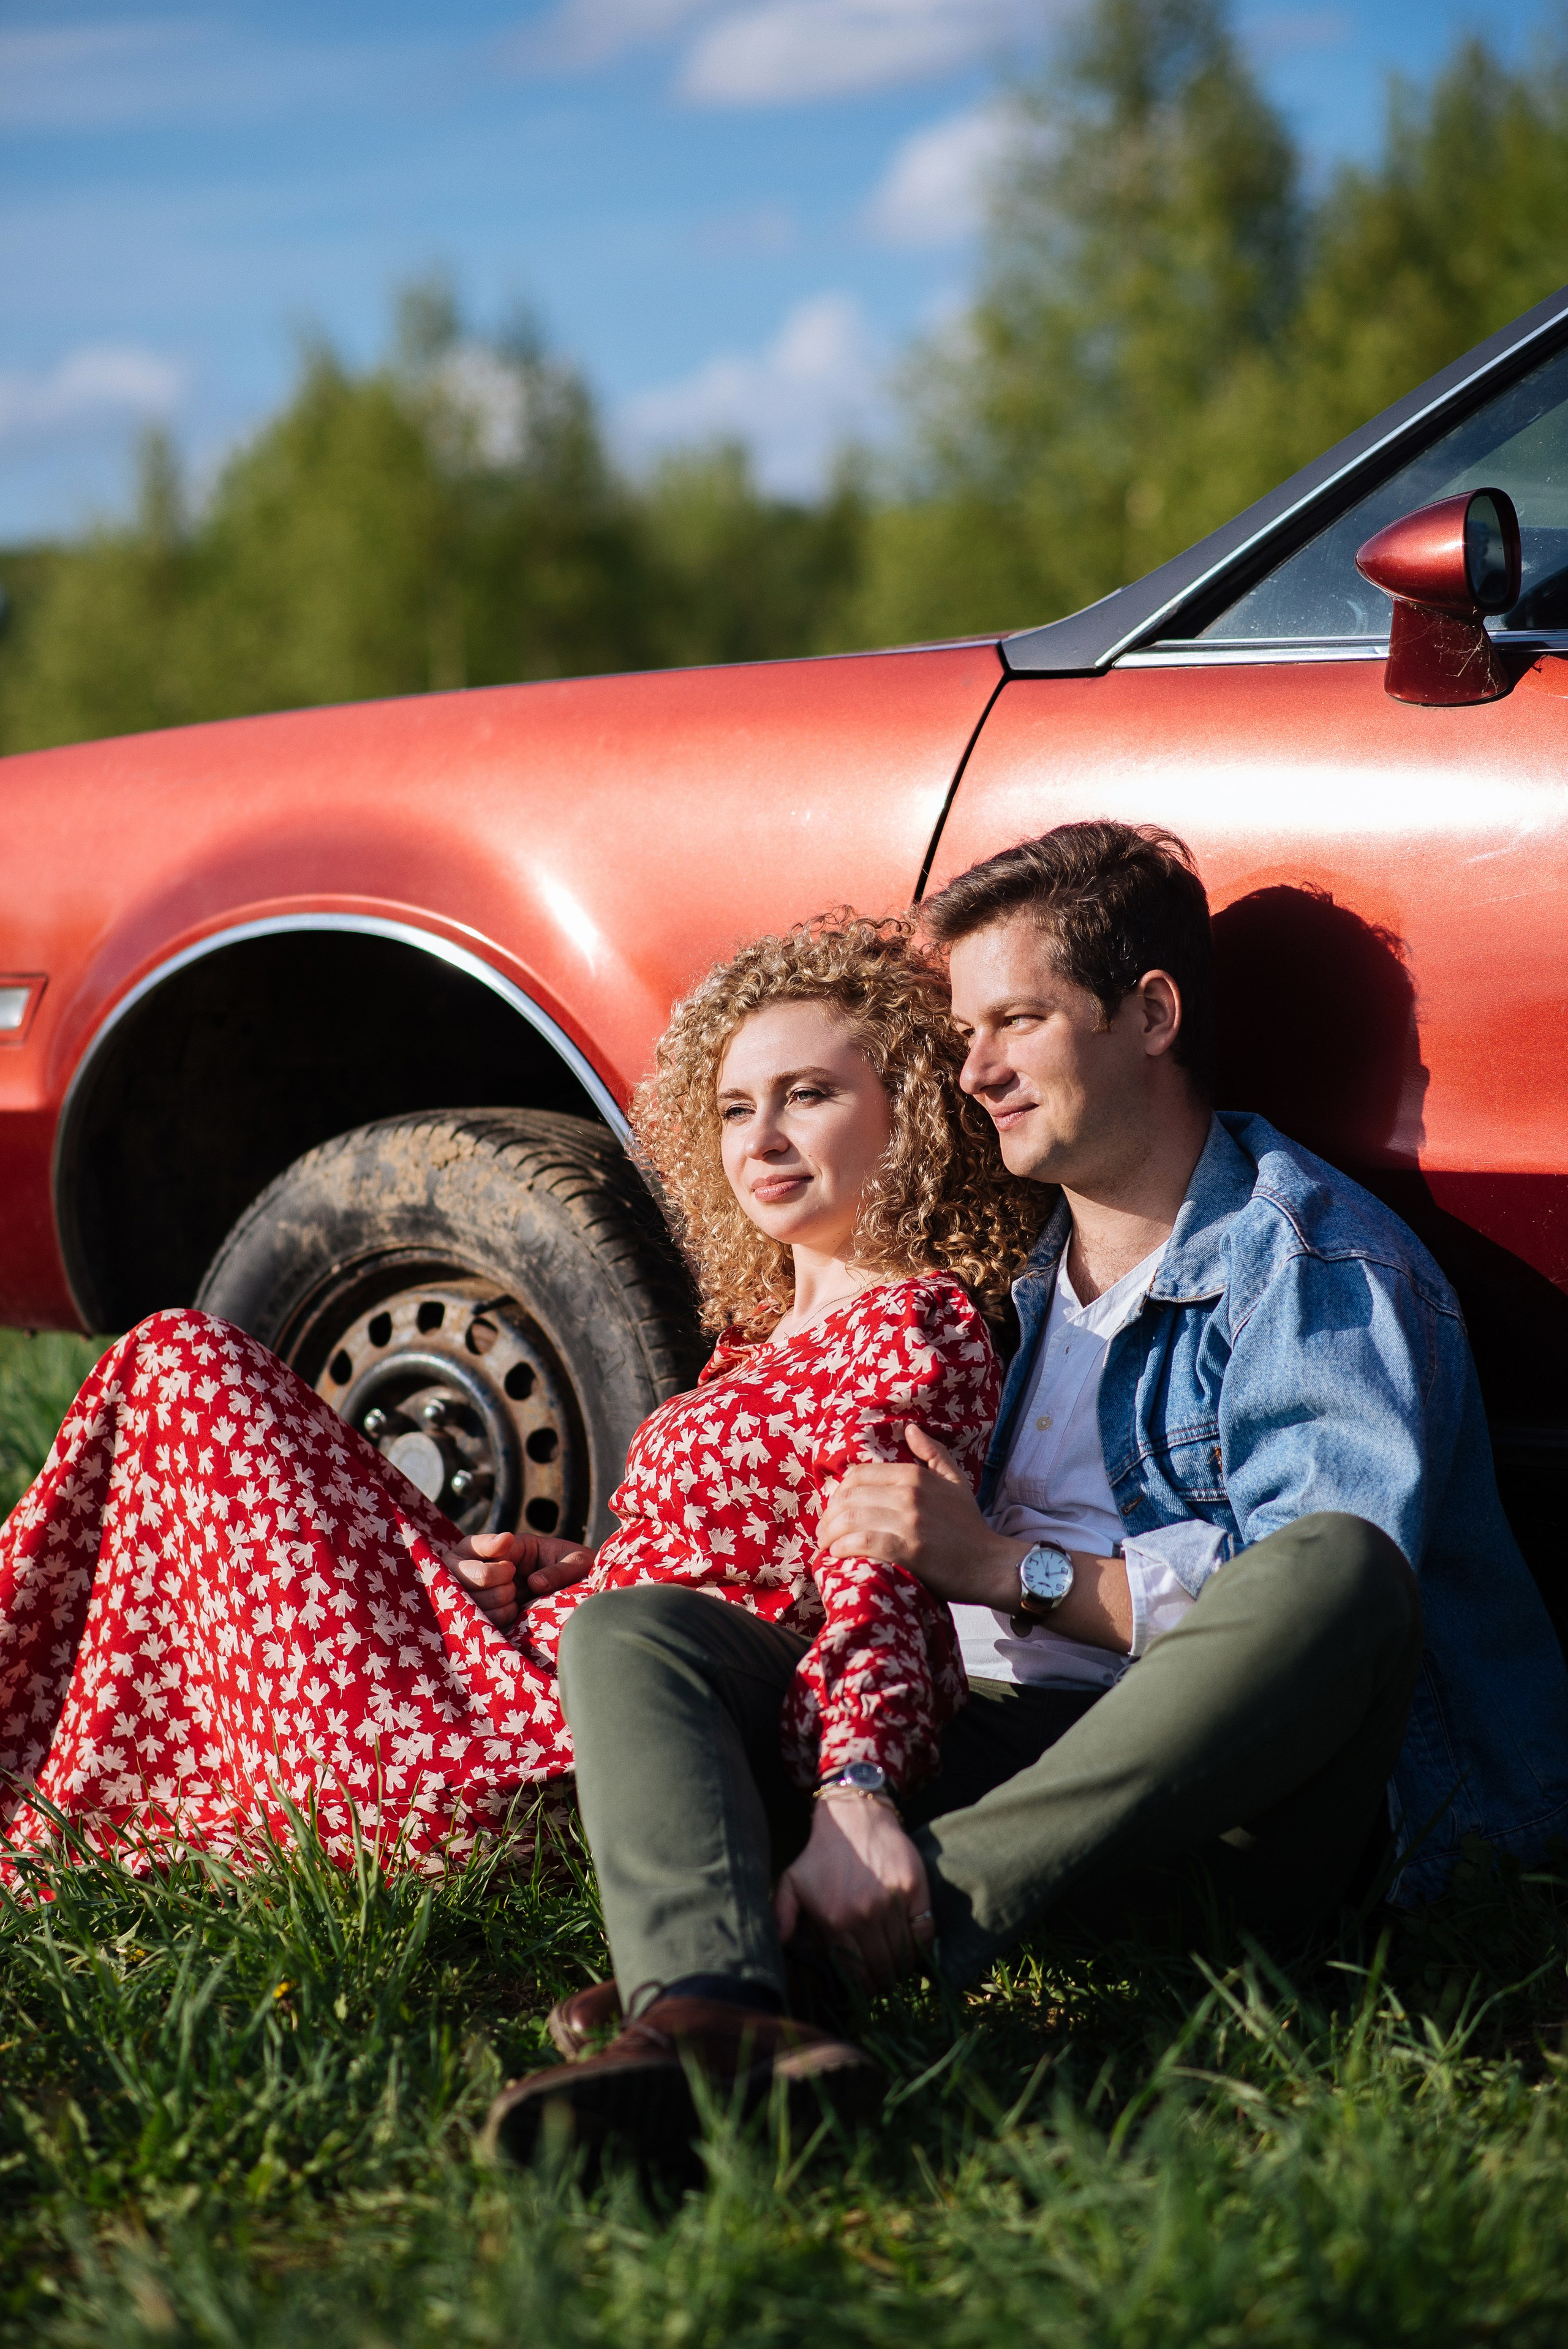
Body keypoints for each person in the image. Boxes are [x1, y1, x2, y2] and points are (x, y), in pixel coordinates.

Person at [499, 820, 1568, 2170]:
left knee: (1335, 1565)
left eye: (1013, 1020)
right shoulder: (1012, 1290)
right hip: (992, 1741)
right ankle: (713, 2012)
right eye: (961, 1031)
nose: (973, 1069)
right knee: (636, 1627)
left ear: (1151, 1015)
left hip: (1223, 1814)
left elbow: (1322, 1636)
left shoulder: (1308, 1266)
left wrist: (1009, 1570)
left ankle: (882, 1931)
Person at [0, 918, 1032, 1901]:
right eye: (732, 1108)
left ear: (908, 1114)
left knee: (186, 1363)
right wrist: (590, 1565)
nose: (759, 1138)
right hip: (536, 1663)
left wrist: (858, 1792)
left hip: (545, 1742)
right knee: (168, 1386)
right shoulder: (759, 1340)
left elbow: (884, 1570)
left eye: (806, 1096)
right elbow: (744, 1548)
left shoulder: (908, 1325)